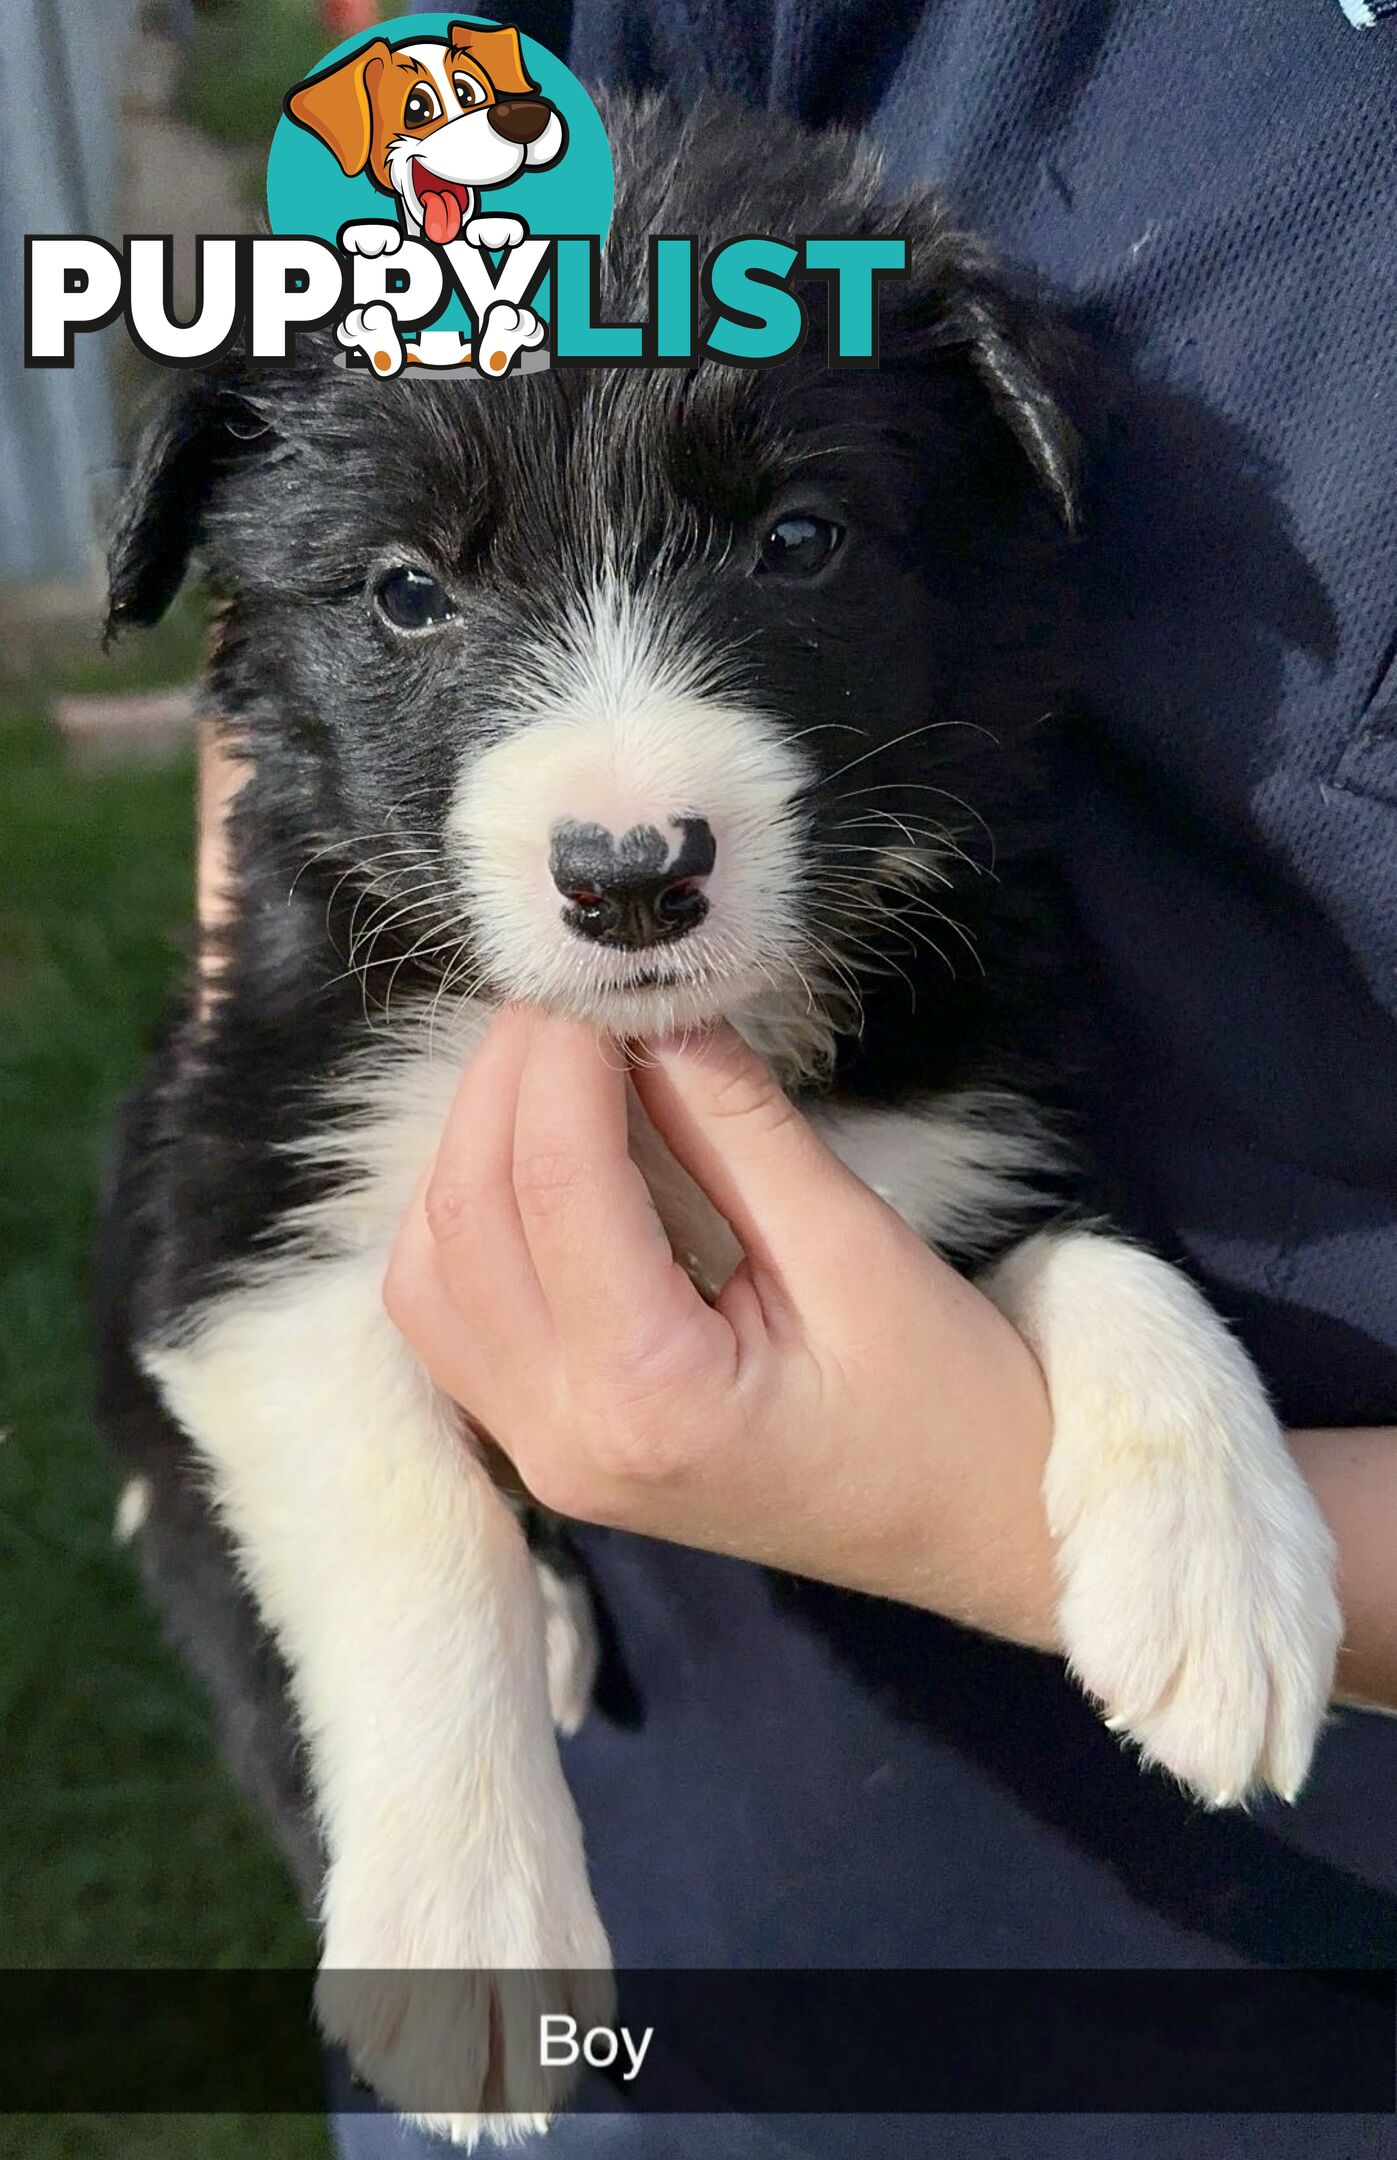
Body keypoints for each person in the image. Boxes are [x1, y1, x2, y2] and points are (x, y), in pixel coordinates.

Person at [205, 0, 1392, 2151]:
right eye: (416, 587)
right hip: (692, 1924)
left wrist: (1045, 1480)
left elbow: (1016, 1228)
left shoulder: (930, 961)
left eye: (794, 541)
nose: (623, 775)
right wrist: (437, 1733)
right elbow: (265, 1297)